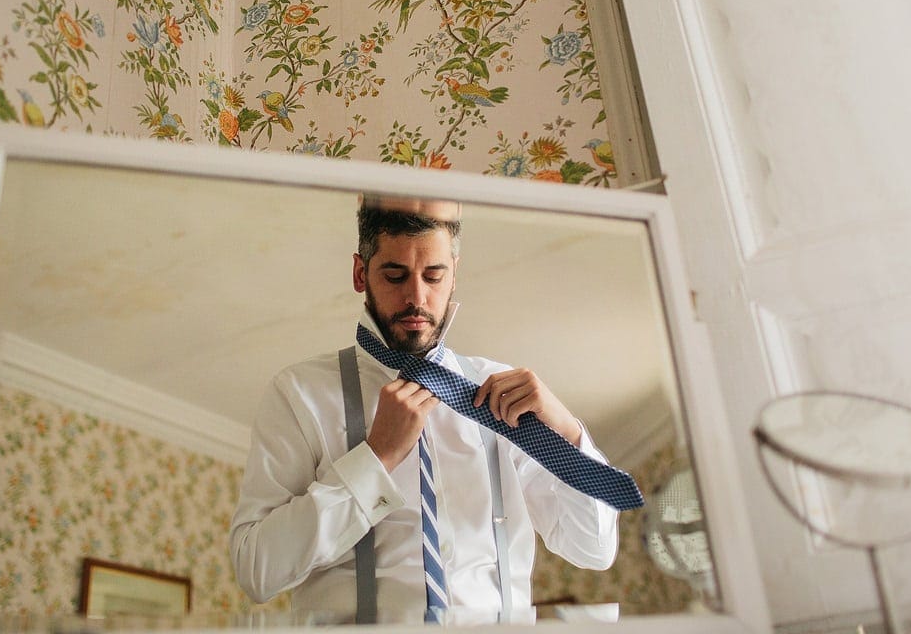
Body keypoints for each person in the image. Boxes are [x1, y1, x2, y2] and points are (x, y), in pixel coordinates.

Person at [229, 195, 623, 624]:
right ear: (361, 274)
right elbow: (256, 571)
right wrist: (375, 459)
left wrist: (566, 431)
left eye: (433, 275)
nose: (416, 297)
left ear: (455, 275)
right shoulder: (299, 394)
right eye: (395, 275)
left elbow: (594, 549)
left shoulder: (503, 391)